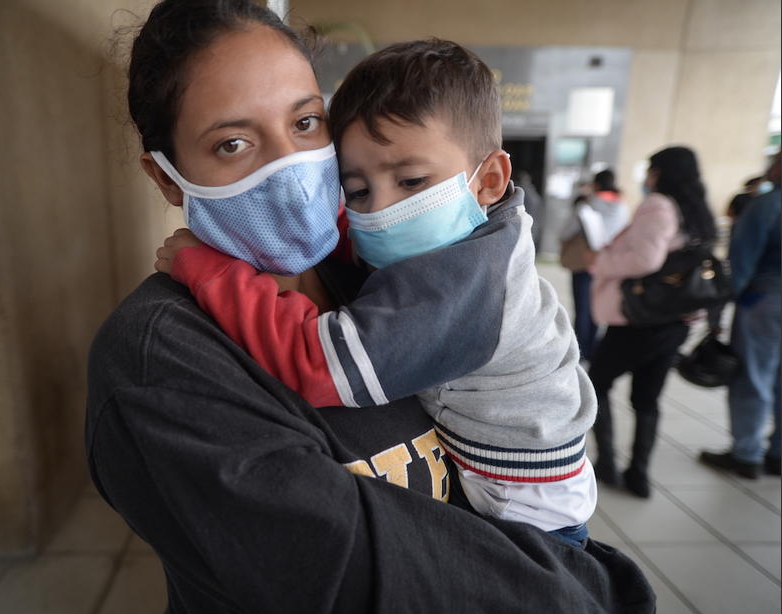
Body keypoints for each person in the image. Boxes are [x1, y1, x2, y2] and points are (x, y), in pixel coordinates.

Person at [85, 1, 656, 614]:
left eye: (306, 122)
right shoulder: (161, 358)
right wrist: (595, 597)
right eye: (233, 143)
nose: (290, 166)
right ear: (168, 179)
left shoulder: (382, 268)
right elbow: (360, 581)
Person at [157, 40, 597, 547]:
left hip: (529, 518)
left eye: (411, 181)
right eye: (358, 191)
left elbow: (315, 363)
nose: (381, 209)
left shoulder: (462, 282)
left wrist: (211, 272)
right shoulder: (481, 234)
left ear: (490, 179)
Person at [587, 146, 717, 498]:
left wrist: (601, 262)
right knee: (647, 397)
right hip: (676, 319)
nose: (647, 177)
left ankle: (607, 463)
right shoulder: (697, 211)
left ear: (661, 172)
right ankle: (639, 474)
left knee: (596, 384)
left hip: (640, 319)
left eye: (651, 169)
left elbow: (646, 259)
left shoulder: (659, 205)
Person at [700, 151, 781, 478]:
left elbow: (741, 263)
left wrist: (718, 310)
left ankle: (747, 454)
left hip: (764, 303)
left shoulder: (766, 206)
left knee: (754, 376)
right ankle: (778, 453)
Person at [559, 169, 630, 362]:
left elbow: (567, 231)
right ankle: (591, 349)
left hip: (585, 261)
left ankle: (579, 350)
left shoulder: (588, 204)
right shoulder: (622, 206)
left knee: (582, 307)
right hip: (607, 263)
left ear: (596, 184)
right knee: (596, 306)